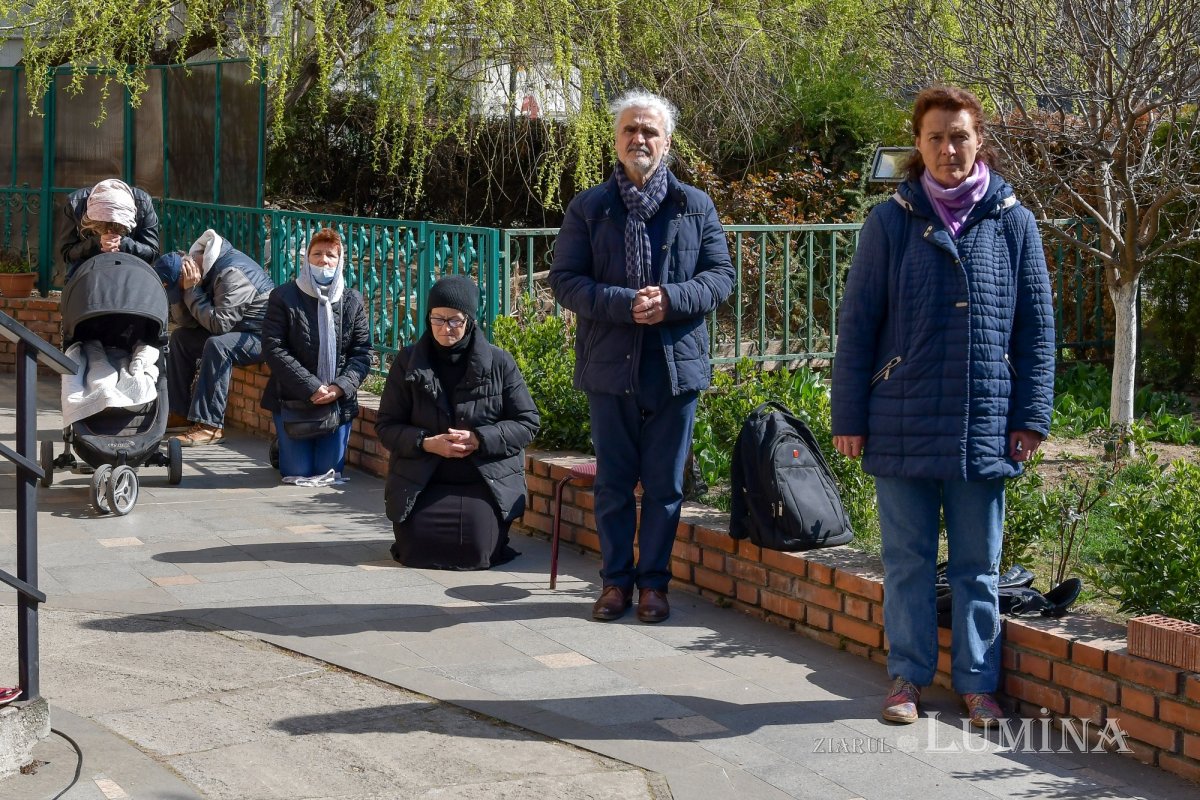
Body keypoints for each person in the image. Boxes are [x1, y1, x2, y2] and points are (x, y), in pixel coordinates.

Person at [830, 85, 1055, 727]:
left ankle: (979, 685)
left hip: (983, 422)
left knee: (979, 566)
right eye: (935, 137)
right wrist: (849, 417)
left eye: (959, 135)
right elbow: (860, 324)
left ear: (978, 138)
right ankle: (906, 681)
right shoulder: (891, 221)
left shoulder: (1011, 220)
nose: (948, 148)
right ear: (918, 145)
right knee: (907, 563)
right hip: (899, 418)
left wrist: (1030, 415)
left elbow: (1036, 328)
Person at [548, 90, 734, 624]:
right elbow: (565, 281)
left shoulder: (693, 205)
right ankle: (614, 584)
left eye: (650, 131)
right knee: (612, 485)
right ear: (616, 140)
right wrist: (624, 305)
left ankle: (654, 585)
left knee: (664, 486)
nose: (640, 139)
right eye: (630, 130)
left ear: (667, 141)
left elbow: (720, 278)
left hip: (676, 366)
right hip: (610, 364)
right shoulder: (591, 207)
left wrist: (670, 300)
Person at [375, 274, 540, 570]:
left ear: (470, 320)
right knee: (415, 552)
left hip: (481, 481)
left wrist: (479, 438)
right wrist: (426, 443)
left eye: (455, 320)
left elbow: (527, 422)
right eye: (438, 319)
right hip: (423, 479)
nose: (445, 328)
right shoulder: (409, 361)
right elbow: (386, 425)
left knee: (476, 551)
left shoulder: (499, 362)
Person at [260, 228, 372, 485]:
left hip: (337, 401)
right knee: (297, 471)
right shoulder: (284, 297)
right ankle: (282, 447)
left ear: (341, 260)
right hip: (294, 397)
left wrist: (339, 387)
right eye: (317, 254)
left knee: (328, 471)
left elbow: (362, 352)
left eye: (331, 255)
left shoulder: (352, 300)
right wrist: (311, 386)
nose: (324, 261)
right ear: (306, 259)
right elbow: (273, 348)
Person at [153, 229, 275, 446]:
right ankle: (179, 412)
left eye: (179, 288)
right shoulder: (199, 273)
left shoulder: (232, 272)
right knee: (180, 338)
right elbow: (188, 323)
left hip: (263, 336)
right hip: (238, 330)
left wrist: (191, 292)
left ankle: (210, 426)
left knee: (217, 345)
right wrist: (187, 293)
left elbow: (220, 325)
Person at [62, 179, 160, 279]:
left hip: (131, 272)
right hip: (88, 271)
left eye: (117, 227)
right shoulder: (74, 203)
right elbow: (67, 253)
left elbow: (152, 253)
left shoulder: (143, 202)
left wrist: (123, 243)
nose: (110, 232)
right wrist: (96, 243)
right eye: (102, 227)